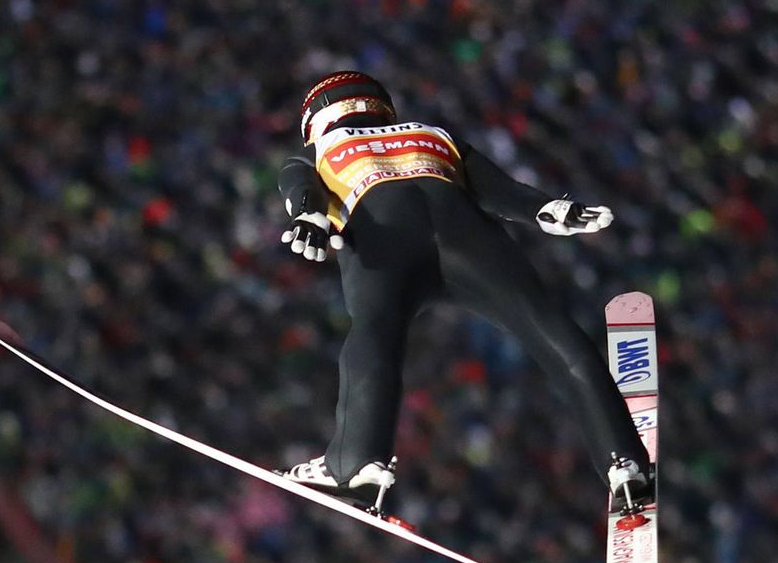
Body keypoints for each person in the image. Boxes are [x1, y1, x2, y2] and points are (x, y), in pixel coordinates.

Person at [277, 71, 651, 513]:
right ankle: (623, 462)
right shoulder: (430, 133)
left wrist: (310, 218)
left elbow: (301, 187)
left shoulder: (317, 150)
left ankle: (358, 462)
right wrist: (546, 209)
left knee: (374, 337)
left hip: (383, 238)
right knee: (549, 330)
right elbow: (501, 191)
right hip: (467, 235)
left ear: (316, 120)